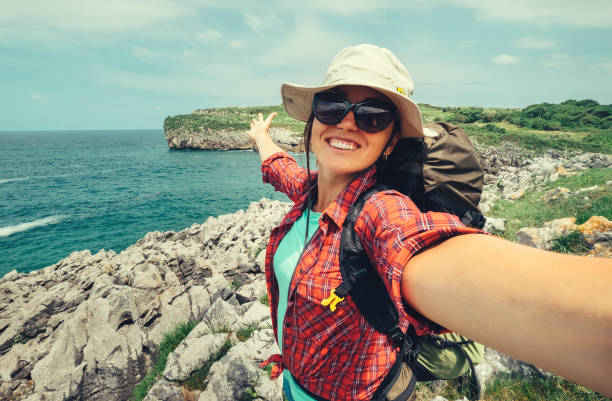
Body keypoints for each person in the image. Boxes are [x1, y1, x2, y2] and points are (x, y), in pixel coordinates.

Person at [246, 44, 612, 400]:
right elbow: (282, 169)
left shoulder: (381, 213)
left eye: (372, 115)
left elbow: (425, 254)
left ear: (390, 142)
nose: (346, 122)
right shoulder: (310, 191)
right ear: (312, 124)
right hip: (293, 385)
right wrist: (261, 137)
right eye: (331, 107)